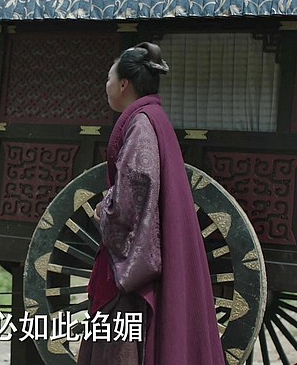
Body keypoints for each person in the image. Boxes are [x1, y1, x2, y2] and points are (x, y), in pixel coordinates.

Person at [80, 43, 224, 365]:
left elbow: (134, 194)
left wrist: (105, 210)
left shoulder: (141, 124)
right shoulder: (152, 118)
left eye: (108, 79)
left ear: (123, 84)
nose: (106, 86)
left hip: (135, 274)